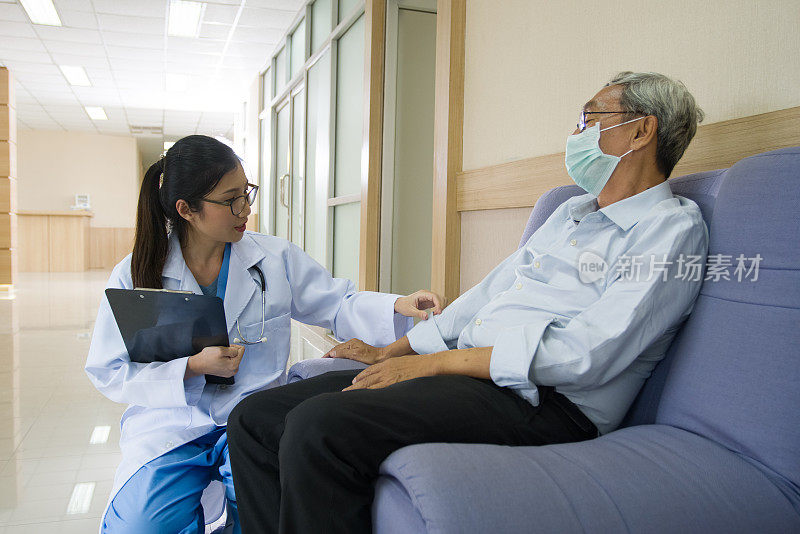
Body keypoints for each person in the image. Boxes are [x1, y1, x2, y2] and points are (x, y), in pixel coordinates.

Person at [225, 71, 710, 534]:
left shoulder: (672, 229)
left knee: (318, 426)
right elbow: (488, 293)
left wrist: (435, 366)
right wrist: (395, 353)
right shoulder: (572, 211)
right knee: (253, 418)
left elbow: (584, 356)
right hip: (474, 377)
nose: (576, 133)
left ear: (641, 131)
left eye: (590, 118)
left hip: (546, 401)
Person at [84, 135, 444, 533]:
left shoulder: (273, 258)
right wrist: (189, 367)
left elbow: (337, 303)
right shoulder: (136, 274)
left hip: (253, 415)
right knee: (142, 526)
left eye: (247, 193)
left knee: (265, 518)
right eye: (231, 199)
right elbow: (109, 370)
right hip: (173, 424)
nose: (246, 210)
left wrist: (397, 305)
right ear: (187, 210)